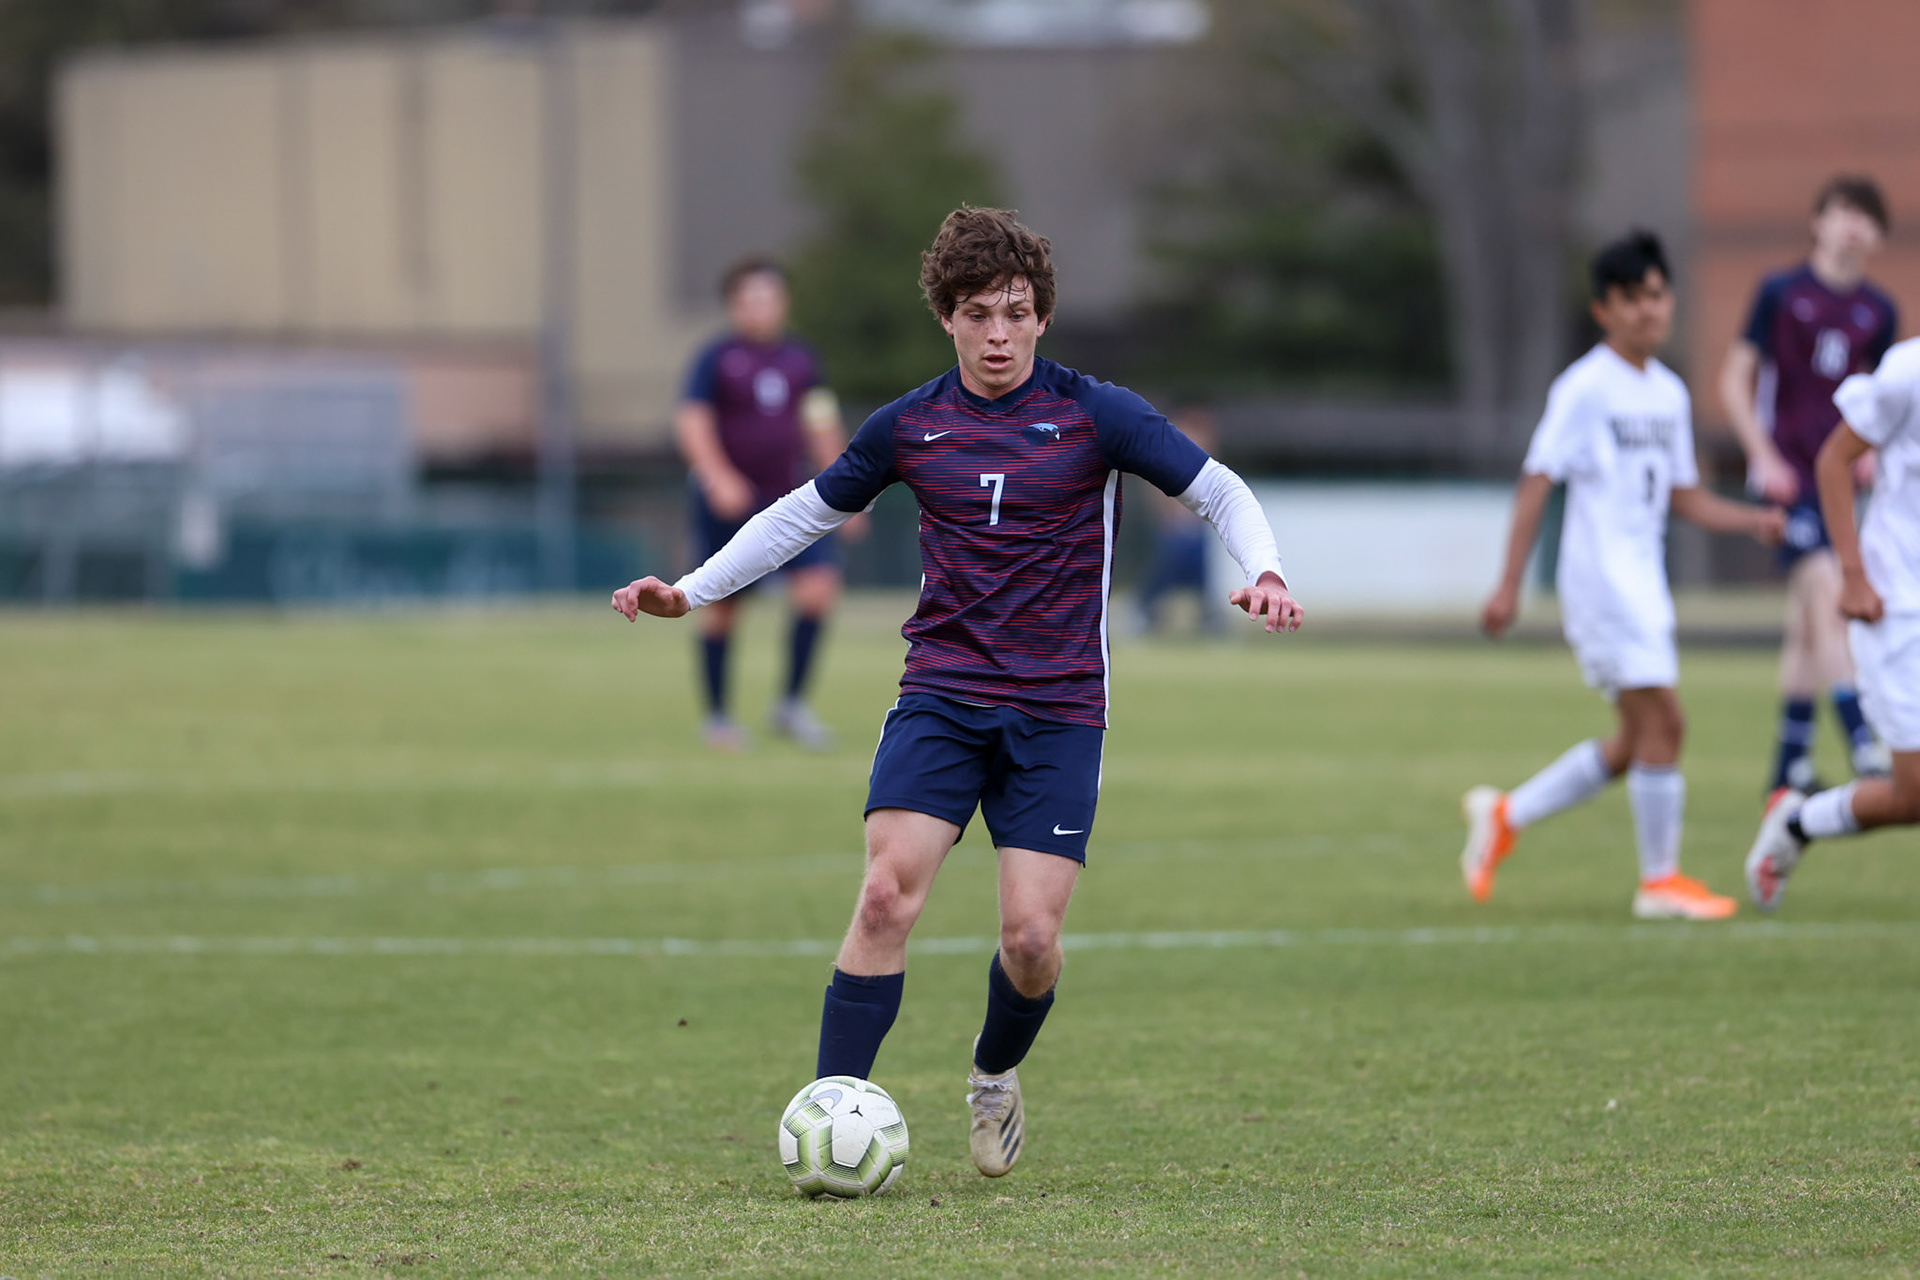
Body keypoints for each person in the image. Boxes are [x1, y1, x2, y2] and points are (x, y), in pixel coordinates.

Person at [614, 206, 1301, 1177]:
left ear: (1042, 316)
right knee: (887, 893)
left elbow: (1219, 490)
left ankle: (993, 1070)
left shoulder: (1096, 412)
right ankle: (831, 1111)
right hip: (941, 690)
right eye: (978, 313)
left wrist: (1264, 569)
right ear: (948, 316)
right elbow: (799, 517)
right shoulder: (911, 424)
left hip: (1061, 707)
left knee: (1030, 937)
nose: (998, 334)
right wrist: (691, 588)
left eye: (1017, 313)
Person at [1462, 230, 1785, 920]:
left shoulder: (1666, 394)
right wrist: (1508, 584)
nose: (1650, 310)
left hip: (1646, 582)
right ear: (1604, 309)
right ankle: (1659, 883)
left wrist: (1750, 521)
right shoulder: (1584, 388)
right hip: (1601, 582)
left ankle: (1507, 815)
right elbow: (1536, 482)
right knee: (1667, 718)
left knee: (1636, 742)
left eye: (1659, 295)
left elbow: (1682, 494)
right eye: (1633, 299)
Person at [1717, 176, 1899, 794]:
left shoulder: (1880, 310)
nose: (1854, 226)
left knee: (1805, 629)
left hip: (1840, 490)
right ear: (1818, 221)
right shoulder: (1780, 291)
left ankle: (1786, 770)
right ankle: (1863, 741)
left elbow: (1875, 402)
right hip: (1791, 480)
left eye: (1867, 218)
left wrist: (1872, 454)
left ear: (1878, 236)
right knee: (1828, 596)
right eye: (1844, 211)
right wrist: (1761, 454)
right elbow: (1734, 379)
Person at [1745, 337, 1920, 910]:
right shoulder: (1908, 373)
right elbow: (1833, 459)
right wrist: (1854, 576)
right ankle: (1799, 822)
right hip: (1899, 605)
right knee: (1912, 796)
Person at [677, 255, 864, 751]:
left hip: (790, 504)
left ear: (783, 303)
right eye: (749, 298)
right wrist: (717, 478)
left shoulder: (802, 360)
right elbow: (693, 423)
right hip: (731, 503)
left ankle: (791, 705)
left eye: (769, 296)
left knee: (819, 589)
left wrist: (850, 491)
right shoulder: (715, 359)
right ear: (733, 305)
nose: (759, 307)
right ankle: (717, 718)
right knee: (721, 606)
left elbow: (820, 424)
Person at [1136, 406, 1225, 635]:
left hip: (1197, 524)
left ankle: (1208, 617)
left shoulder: (1205, 443)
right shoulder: (1172, 441)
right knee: (1166, 570)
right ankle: (1144, 611)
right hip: (1174, 524)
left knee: (1201, 574)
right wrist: (1168, 516)